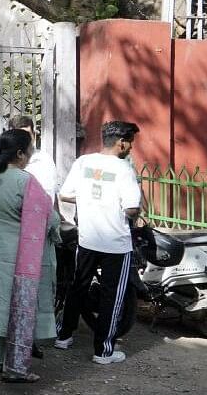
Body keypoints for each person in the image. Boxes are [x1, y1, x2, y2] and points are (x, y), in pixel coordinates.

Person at [0, 130, 60, 383]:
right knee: (21, 310)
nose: (31, 154)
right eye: (30, 150)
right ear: (20, 153)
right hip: (25, 258)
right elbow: (49, 217)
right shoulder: (25, 181)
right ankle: (16, 368)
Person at [55, 121, 142, 365]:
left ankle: (63, 335)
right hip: (116, 244)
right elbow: (132, 208)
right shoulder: (124, 169)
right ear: (121, 143)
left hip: (87, 238)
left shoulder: (83, 162)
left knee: (78, 286)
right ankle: (104, 351)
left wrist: (88, 199)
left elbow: (65, 194)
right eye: (130, 143)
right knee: (112, 296)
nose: (130, 148)